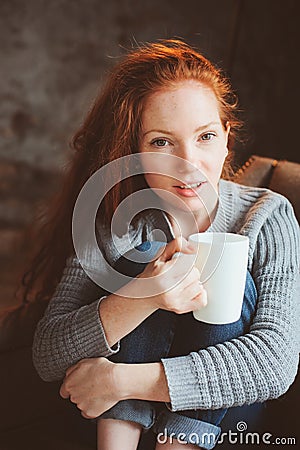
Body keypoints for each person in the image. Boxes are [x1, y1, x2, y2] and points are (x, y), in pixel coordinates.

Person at [26, 40, 299, 450]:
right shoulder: (116, 217)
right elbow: (48, 352)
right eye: (161, 142)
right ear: (133, 150)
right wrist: (144, 296)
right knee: (147, 259)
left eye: (205, 136)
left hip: (223, 424)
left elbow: (273, 364)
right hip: (117, 429)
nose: (188, 162)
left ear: (226, 138)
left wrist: (119, 381)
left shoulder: (267, 215)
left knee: (227, 273)